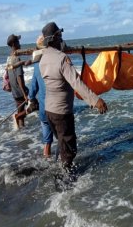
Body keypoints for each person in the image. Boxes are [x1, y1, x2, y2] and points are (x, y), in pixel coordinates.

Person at [39, 22, 108, 170]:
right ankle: (65, 186)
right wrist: (96, 100)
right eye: (60, 35)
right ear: (55, 38)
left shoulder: (43, 59)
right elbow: (76, 83)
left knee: (62, 144)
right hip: (62, 113)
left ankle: (59, 169)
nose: (62, 38)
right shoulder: (62, 59)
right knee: (69, 151)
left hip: (49, 111)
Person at [6, 34, 31, 128]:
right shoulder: (17, 58)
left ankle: (21, 130)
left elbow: (9, 75)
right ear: (13, 44)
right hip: (19, 91)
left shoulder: (9, 58)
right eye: (18, 41)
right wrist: (24, 93)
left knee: (20, 109)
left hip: (14, 90)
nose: (20, 43)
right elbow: (19, 77)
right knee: (34, 106)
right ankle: (18, 120)